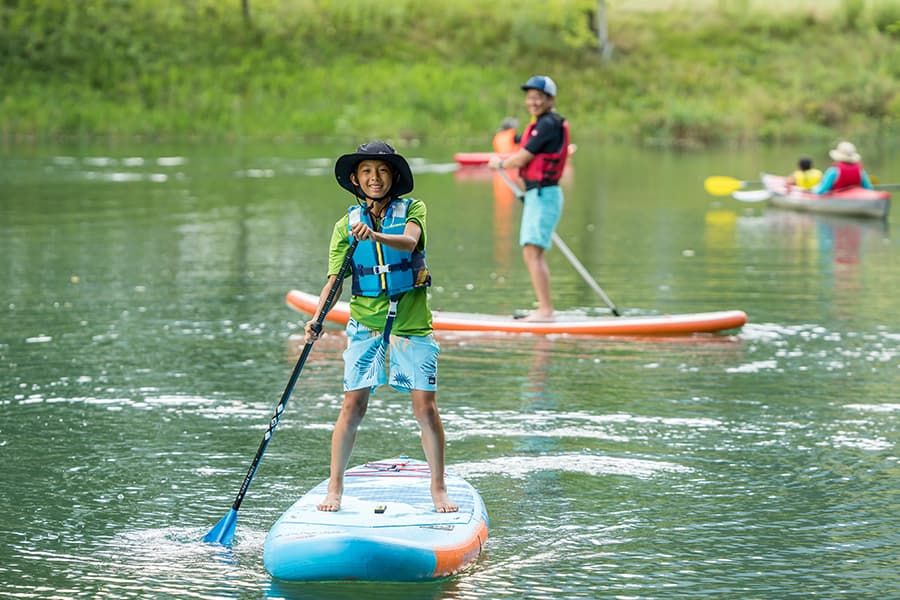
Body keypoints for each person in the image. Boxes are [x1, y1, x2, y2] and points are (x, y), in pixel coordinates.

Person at [304, 141, 457, 514]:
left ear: (394, 177)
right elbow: (334, 281)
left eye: (383, 171)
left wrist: (374, 236)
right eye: (367, 172)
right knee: (352, 405)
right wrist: (317, 318)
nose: (375, 178)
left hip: (412, 323)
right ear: (356, 179)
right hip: (365, 323)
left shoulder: (413, 209)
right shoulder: (344, 226)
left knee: (425, 408)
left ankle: (438, 487)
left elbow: (408, 242)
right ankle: (334, 487)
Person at [487, 75, 570, 322]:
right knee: (531, 252)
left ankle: (546, 311)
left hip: (545, 195)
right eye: (530, 97)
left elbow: (523, 157)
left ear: (550, 99)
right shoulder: (540, 123)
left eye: (538, 97)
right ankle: (543, 307)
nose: (533, 102)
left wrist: (500, 163)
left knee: (533, 252)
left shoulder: (548, 124)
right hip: (537, 195)